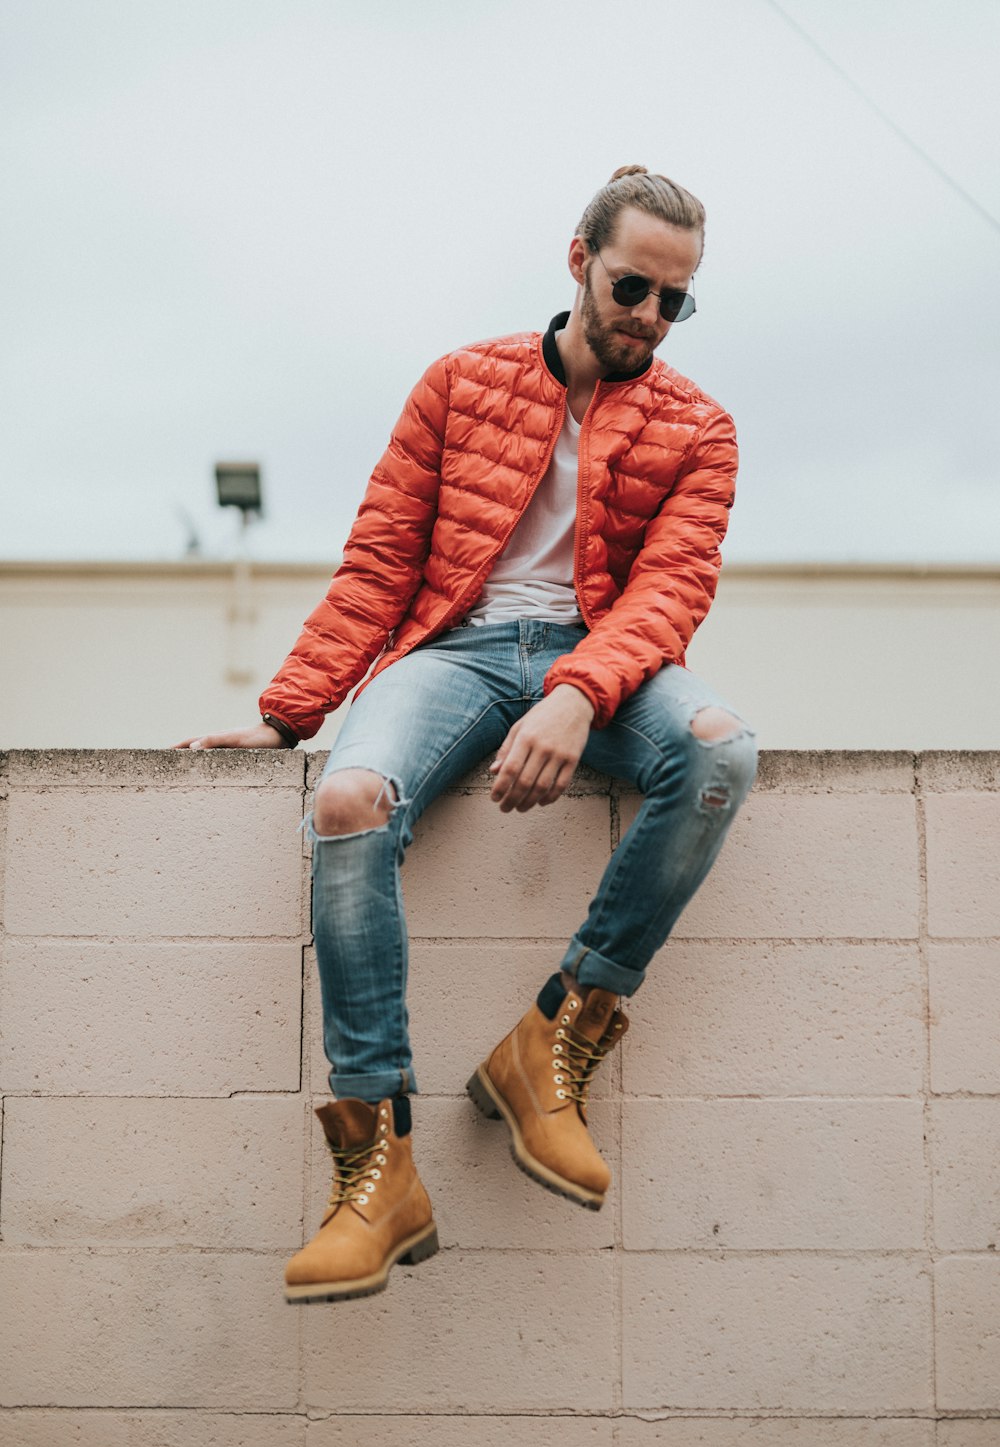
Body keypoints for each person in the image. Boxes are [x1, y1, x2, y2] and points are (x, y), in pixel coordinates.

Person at [177, 164, 757, 1304]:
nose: (647, 317)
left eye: (673, 302)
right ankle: (376, 1166)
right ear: (580, 259)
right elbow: (381, 564)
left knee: (721, 753)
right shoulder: (461, 383)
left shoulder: (700, 428)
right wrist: (287, 714)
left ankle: (552, 1042)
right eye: (632, 286)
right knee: (345, 805)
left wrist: (579, 691)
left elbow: (669, 592)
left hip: (602, 662)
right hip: (451, 653)